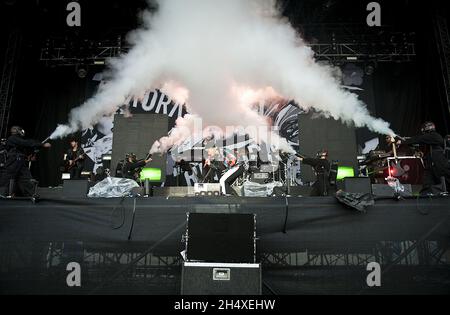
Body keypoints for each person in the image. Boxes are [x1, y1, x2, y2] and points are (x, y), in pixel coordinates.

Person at [396, 122, 450, 195]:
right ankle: (425, 196)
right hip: (432, 164)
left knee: (445, 181)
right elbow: (420, 141)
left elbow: (419, 139)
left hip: (439, 164)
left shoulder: (434, 136)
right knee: (428, 182)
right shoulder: (431, 138)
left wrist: (402, 141)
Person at [0, 126, 51, 197]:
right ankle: (2, 193)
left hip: (20, 161)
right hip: (13, 161)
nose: (22, 132)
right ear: (18, 131)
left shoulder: (17, 140)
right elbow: (25, 143)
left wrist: (28, 156)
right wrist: (41, 144)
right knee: (8, 176)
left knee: (26, 177)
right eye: (21, 131)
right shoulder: (13, 138)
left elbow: (22, 149)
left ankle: (32, 194)